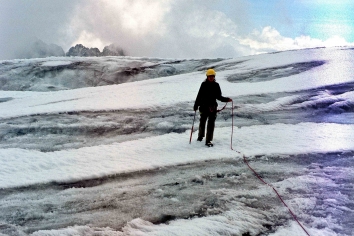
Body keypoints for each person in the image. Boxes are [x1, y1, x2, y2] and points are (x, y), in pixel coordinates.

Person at [193, 69, 232, 147]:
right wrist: (196, 105)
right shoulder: (203, 84)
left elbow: (218, 96)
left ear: (214, 77)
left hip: (212, 107)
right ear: (207, 77)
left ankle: (208, 140)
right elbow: (199, 95)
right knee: (202, 122)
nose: (211, 77)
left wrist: (226, 99)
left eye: (212, 76)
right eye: (209, 76)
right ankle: (200, 136)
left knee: (211, 124)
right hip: (203, 107)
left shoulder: (216, 85)